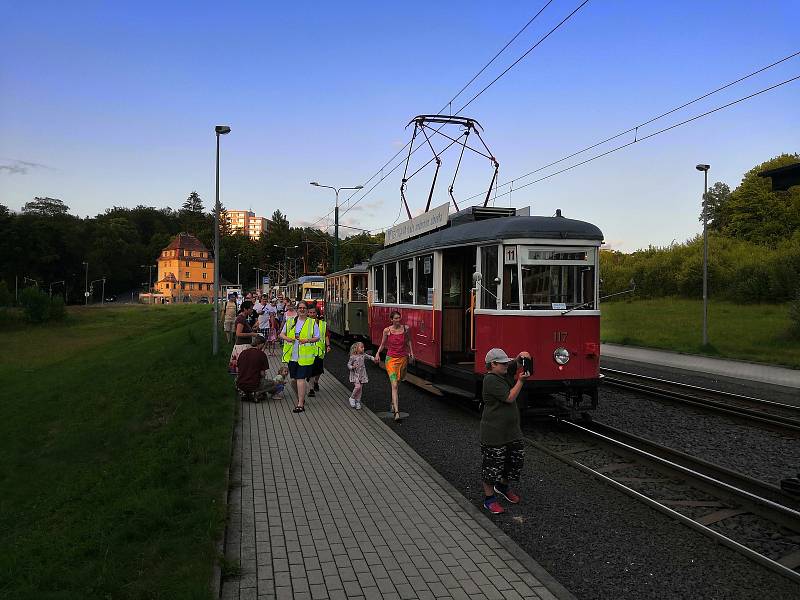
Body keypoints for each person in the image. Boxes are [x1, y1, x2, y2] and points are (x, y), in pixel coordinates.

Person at [479, 347, 532, 515]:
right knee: (492, 466)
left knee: (515, 461)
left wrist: (519, 357)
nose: (505, 365)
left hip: (511, 432)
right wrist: (521, 382)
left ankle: (502, 486)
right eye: (502, 363)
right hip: (494, 433)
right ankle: (489, 499)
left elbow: (513, 366)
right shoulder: (490, 380)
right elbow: (509, 398)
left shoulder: (502, 374)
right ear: (492, 364)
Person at [279, 300, 320, 413]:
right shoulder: (291, 321)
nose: (302, 310)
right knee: (294, 380)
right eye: (300, 308)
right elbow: (281, 334)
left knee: (301, 379)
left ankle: (300, 404)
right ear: (297, 310)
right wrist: (287, 338)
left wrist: (307, 340)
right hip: (292, 356)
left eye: (304, 308)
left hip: (305, 357)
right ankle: (300, 398)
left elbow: (317, 337)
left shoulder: (312, 323)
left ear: (307, 310)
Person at [373, 310, 414, 422]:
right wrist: (377, 354)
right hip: (390, 360)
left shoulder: (405, 329)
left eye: (398, 318)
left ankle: (392, 401)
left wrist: (411, 353)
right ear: (391, 320)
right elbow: (382, 344)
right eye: (395, 318)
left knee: (399, 381)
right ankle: (397, 412)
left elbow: (409, 341)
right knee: (394, 385)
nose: (397, 320)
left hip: (403, 359)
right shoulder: (387, 330)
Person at [236, 335, 276, 401]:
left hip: (240, 384)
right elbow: (262, 374)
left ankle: (245, 393)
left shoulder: (243, 352)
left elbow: (238, 369)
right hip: (254, 384)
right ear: (260, 344)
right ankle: (257, 393)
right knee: (274, 383)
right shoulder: (261, 354)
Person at [229, 300, 260, 374]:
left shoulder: (244, 318)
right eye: (251, 309)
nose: (252, 310)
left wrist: (252, 329)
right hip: (242, 346)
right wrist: (252, 334)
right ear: (245, 309)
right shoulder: (241, 319)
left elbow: (244, 331)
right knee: (242, 369)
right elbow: (238, 334)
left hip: (245, 345)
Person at [306, 304, 330, 397]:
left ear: (317, 313)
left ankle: (316, 382)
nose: (312, 314)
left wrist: (328, 345)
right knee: (312, 370)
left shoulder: (323, 324)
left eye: (314, 312)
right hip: (309, 350)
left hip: (320, 350)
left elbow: (326, 335)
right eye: (310, 312)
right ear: (308, 313)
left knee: (319, 370)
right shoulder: (305, 323)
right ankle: (311, 389)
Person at [347, 341, 374, 410]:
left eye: (363, 347)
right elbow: (348, 364)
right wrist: (352, 367)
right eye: (361, 347)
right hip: (355, 374)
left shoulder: (363, 355)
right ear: (356, 348)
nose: (363, 348)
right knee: (358, 387)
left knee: (360, 389)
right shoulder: (353, 357)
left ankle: (358, 402)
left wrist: (374, 359)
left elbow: (369, 357)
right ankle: (352, 398)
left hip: (362, 374)